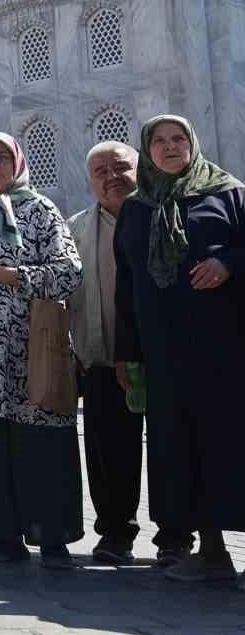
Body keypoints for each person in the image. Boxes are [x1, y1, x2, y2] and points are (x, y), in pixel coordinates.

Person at [115, 115, 245, 585]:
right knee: (183, 446)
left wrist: (227, 263)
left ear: (192, 144)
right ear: (146, 150)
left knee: (233, 442)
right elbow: (126, 285)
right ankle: (211, 552)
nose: (170, 147)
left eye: (178, 139)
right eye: (159, 141)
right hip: (165, 352)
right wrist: (127, 352)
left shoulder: (227, 194)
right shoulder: (136, 208)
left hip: (227, 349)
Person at [0, 132, 83, 569]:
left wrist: (6, 275)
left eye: (2, 157)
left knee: (40, 442)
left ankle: (52, 537)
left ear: (18, 162)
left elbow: (68, 272)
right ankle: (2, 536)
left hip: (29, 349)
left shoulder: (39, 209)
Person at [68, 140, 190, 567]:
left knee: (170, 448)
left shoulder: (164, 216)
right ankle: (115, 534)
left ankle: (175, 536)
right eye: (100, 171)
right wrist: (72, 347)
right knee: (108, 451)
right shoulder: (77, 227)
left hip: (161, 356)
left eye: (120, 167)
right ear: (90, 180)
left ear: (140, 168)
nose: (111, 177)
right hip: (100, 355)